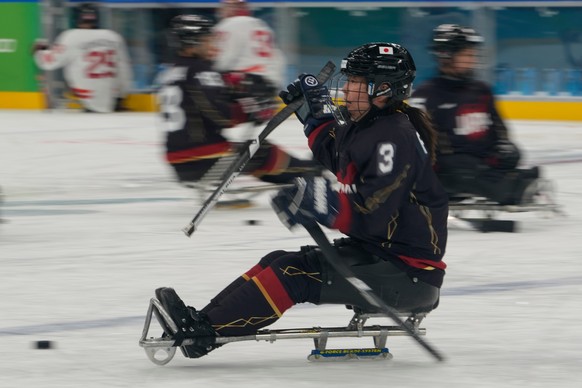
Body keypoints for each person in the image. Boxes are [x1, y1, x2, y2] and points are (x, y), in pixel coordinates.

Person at [154, 42, 448, 359]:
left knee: (294, 275)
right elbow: (340, 155)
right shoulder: (373, 125)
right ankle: (200, 323)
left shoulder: (395, 136)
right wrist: (315, 115)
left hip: (408, 274)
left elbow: (373, 212)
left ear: (384, 89)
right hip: (380, 254)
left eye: (356, 82)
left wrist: (323, 202)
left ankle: (204, 334)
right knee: (277, 259)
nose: (347, 88)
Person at [158, 14, 321, 185]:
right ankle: (309, 172)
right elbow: (221, 116)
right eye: (206, 39)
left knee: (250, 152)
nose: (211, 45)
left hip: (178, 161)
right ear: (192, 44)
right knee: (259, 151)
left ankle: (302, 173)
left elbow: (199, 103)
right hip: (203, 157)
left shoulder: (171, 71)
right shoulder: (200, 70)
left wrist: (235, 92)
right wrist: (251, 111)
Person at [409, 24, 540, 205]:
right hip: (449, 168)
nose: (472, 60)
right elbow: (417, 143)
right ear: (446, 55)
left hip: (482, 160)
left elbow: (498, 127)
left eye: (473, 55)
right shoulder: (427, 95)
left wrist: (504, 144)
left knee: (511, 155)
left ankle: (511, 181)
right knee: (463, 168)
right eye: (467, 55)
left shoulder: (482, 90)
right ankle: (512, 189)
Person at [33, 3, 133, 113]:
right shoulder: (113, 36)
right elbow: (124, 69)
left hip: (86, 96)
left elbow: (49, 62)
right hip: (112, 98)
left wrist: (38, 52)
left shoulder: (71, 36)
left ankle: (62, 97)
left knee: (72, 63)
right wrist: (121, 96)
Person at [212, 0, 285, 89]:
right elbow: (278, 58)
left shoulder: (228, 24)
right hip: (270, 83)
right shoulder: (262, 25)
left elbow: (223, 60)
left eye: (224, 6)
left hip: (245, 84)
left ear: (232, 7)